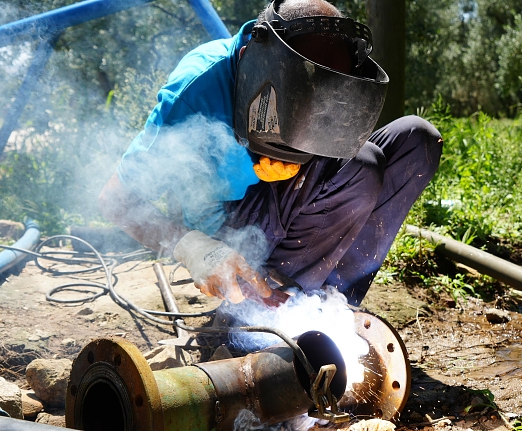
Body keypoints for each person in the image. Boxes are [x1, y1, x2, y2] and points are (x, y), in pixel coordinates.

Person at [98, 0, 443, 307]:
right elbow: (115, 199)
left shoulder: (321, 80)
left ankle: (333, 305)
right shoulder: (194, 92)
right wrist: (193, 247)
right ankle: (274, 307)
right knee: (363, 167)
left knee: (416, 139)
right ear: (253, 58)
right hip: (227, 223)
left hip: (281, 202)